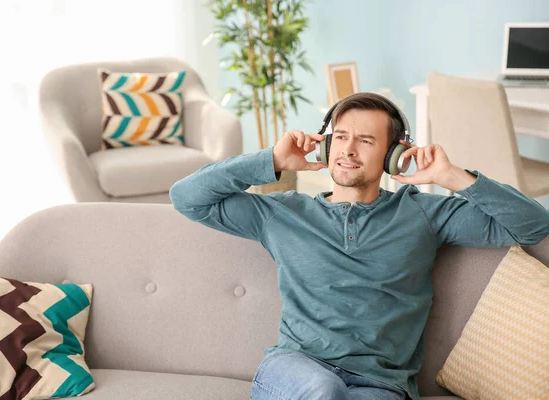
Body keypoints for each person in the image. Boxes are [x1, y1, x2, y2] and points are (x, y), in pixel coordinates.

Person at [168, 92, 549, 400]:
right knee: (323, 389)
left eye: (365, 141)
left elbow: (533, 225)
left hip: (380, 386)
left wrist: (451, 176)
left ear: (392, 155)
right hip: (297, 369)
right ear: (325, 144)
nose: (348, 150)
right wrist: (271, 159)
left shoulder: (422, 212)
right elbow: (187, 197)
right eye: (341, 137)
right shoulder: (283, 213)